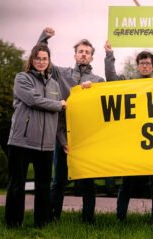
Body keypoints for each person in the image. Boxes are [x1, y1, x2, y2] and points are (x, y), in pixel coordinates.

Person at [38, 27, 105, 223]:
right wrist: (44, 38)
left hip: (86, 138)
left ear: (92, 58)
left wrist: (91, 91)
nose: (84, 54)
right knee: (58, 180)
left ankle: (88, 219)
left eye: (87, 52)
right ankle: (53, 217)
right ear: (75, 55)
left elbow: (101, 109)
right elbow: (42, 59)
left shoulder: (98, 81)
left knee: (87, 181)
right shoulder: (61, 74)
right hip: (61, 136)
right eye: (81, 51)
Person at [5, 44, 67, 228]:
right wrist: (59, 104)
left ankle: (42, 223)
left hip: (46, 145)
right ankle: (13, 223)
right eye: (38, 58)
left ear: (49, 61)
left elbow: (57, 119)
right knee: (17, 185)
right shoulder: (22, 78)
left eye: (44, 59)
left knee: (43, 187)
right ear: (32, 60)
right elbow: (33, 100)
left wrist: (62, 142)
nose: (41, 62)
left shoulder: (55, 85)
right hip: (21, 142)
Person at [104, 41, 153, 224]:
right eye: (142, 63)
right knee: (127, 182)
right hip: (132, 142)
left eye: (148, 63)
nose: (145, 66)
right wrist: (109, 55)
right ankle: (120, 219)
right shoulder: (128, 83)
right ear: (137, 66)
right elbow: (111, 79)